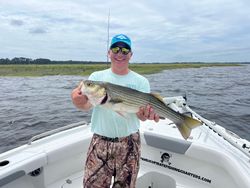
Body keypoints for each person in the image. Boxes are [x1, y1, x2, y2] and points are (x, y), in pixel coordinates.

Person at [71, 34, 159, 188]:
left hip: (130, 142)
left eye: (125, 50)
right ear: (109, 53)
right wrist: (77, 100)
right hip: (100, 142)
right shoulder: (97, 77)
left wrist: (145, 115)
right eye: (115, 49)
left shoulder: (141, 81)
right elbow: (85, 106)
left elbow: (141, 116)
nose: (120, 53)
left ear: (131, 55)